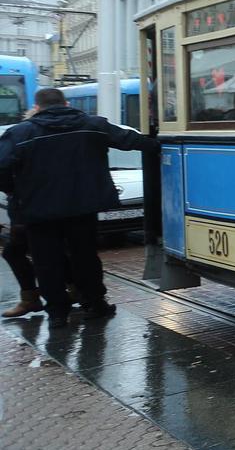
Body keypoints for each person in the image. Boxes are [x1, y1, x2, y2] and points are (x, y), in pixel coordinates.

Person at [0, 88, 158, 321]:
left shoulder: (20, 133)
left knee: (47, 261)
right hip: (82, 207)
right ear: (66, 103)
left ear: (37, 107)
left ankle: (57, 313)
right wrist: (161, 143)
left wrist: (15, 191)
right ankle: (95, 303)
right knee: (85, 256)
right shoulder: (93, 125)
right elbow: (133, 141)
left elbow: (2, 167)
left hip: (39, 210)